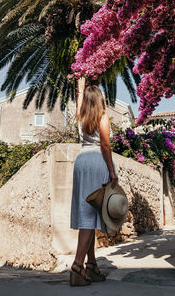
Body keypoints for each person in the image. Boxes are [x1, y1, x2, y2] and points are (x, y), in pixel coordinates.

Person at [70, 79, 118, 286]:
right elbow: (105, 146)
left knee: (86, 211)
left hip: (81, 161)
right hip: (97, 162)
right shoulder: (103, 117)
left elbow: (80, 100)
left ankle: (92, 264)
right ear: (100, 100)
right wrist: (112, 171)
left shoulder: (82, 117)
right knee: (91, 215)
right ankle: (77, 265)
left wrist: (80, 88)